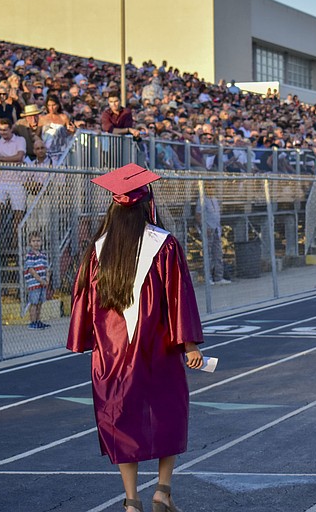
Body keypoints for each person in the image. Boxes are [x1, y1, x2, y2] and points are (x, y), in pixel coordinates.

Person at [67, 163, 204, 512]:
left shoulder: (98, 248)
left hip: (111, 352)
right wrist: (188, 345)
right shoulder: (165, 245)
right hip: (157, 346)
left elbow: (84, 299)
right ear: (147, 204)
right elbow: (178, 297)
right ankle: (163, 489)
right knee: (168, 412)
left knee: (120, 417)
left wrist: (85, 339)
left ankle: (131, 500)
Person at [0, 118, 27, 248]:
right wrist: (12, 161)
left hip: (18, 181)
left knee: (18, 214)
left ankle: (15, 244)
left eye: (5, 129)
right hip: (1, 182)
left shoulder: (20, 140)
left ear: (11, 129)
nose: (2, 132)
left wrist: (1, 159)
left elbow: (20, 157)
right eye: (0, 130)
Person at [196, 186, 230, 284]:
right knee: (208, 254)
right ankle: (208, 278)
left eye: (212, 188)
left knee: (218, 254)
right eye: (209, 188)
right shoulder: (202, 200)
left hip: (216, 230)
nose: (211, 189)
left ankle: (219, 277)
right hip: (208, 230)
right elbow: (198, 215)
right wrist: (204, 227)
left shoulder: (215, 200)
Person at [24, 231, 51, 329]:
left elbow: (46, 268)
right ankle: (33, 322)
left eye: (38, 241)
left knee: (40, 303)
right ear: (30, 243)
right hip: (34, 284)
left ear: (41, 242)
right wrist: (40, 280)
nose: (36, 243)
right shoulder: (29, 256)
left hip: (42, 284)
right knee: (34, 303)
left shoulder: (43, 256)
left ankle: (38, 320)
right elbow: (31, 270)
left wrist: (47, 279)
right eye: (34, 241)